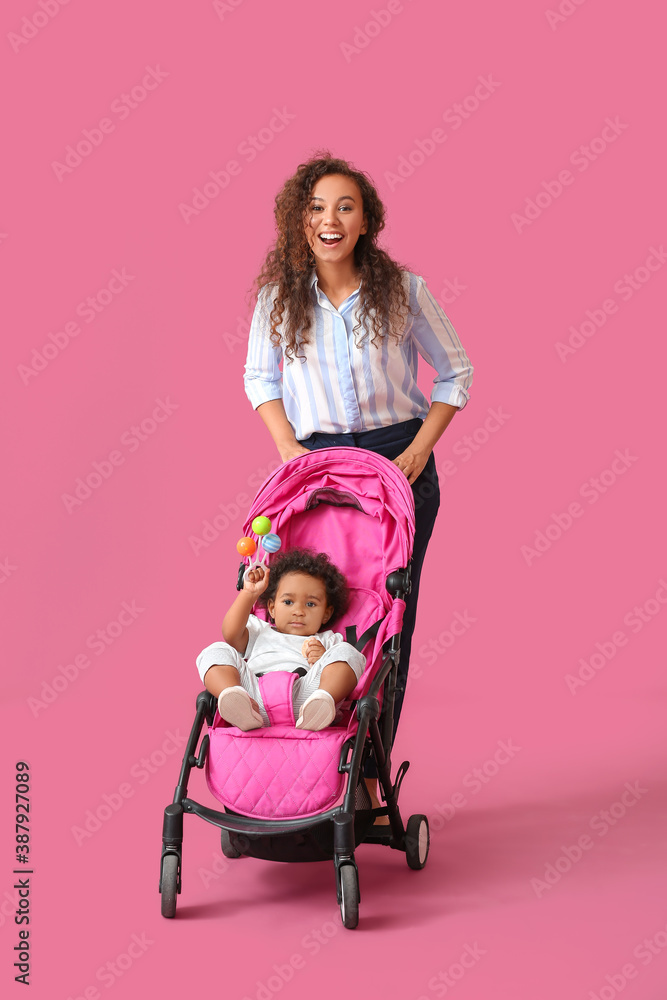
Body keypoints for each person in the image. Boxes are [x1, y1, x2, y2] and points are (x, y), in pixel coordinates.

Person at [243, 151, 473, 807]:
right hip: (314, 471)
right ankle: (298, 761)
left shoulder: (403, 291)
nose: (329, 219)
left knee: (387, 619)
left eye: (344, 206)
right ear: (298, 220)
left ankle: (366, 775)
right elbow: (259, 379)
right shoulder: (275, 300)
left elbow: (456, 373)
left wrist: (420, 452)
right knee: (307, 608)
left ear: (366, 218)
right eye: (315, 208)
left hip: (396, 462)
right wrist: (290, 450)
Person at [197, 549, 366, 732]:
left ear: (326, 613)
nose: (298, 611)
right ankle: (232, 697)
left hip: (304, 699)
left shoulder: (328, 640)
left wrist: (323, 659)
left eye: (310, 604)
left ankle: (323, 701)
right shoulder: (259, 630)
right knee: (216, 650)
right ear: (272, 608)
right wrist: (249, 594)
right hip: (254, 697)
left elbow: (340, 666)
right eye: (288, 602)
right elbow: (230, 634)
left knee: (347, 653)